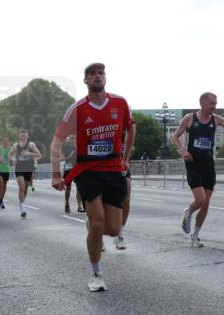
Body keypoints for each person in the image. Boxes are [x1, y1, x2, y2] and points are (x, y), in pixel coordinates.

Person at [51, 63, 136, 292]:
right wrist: (57, 174)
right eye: (92, 74)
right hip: (88, 170)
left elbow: (130, 127)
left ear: (105, 78)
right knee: (98, 222)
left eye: (101, 73)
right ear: (86, 80)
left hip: (113, 170)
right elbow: (57, 142)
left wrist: (125, 157)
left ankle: (94, 225)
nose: (97, 76)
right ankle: (96, 273)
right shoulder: (77, 108)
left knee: (113, 229)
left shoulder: (120, 102)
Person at [171, 92, 224, 248]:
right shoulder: (189, 119)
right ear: (202, 103)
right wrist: (183, 151)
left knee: (206, 203)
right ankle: (188, 213)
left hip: (208, 165)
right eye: (212, 104)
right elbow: (174, 137)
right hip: (193, 163)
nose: (214, 106)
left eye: (215, 103)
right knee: (200, 199)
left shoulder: (215, 119)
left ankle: (195, 236)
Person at [10, 129, 41, 218]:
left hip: (29, 168)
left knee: (26, 187)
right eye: (21, 135)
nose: (23, 137)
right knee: (21, 187)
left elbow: (39, 155)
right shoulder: (16, 145)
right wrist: (13, 160)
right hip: (19, 167)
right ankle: (23, 207)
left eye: (25, 135)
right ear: (19, 136)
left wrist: (28, 153)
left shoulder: (31, 145)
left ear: (27, 136)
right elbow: (10, 155)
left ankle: (21, 203)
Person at [61, 134, 82, 214]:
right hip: (68, 168)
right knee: (68, 188)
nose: (73, 140)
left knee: (79, 187)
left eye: (74, 138)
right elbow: (61, 158)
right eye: (71, 138)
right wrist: (68, 156)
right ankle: (67, 203)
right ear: (68, 139)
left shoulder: (80, 146)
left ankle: (79, 206)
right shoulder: (65, 147)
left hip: (77, 168)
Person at [0, 136, 11, 209]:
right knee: (1, 183)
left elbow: (13, 157)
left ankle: (1, 201)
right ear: (1, 142)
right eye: (4, 141)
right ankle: (0, 200)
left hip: (6, 169)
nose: (5, 142)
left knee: (4, 185)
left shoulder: (10, 149)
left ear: (8, 142)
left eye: (7, 141)